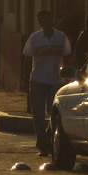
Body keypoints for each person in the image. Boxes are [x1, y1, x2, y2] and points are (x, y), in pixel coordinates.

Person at [22, 10, 71, 157]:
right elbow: (26, 57)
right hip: (37, 79)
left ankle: (48, 139)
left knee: (53, 113)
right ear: (39, 22)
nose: (46, 22)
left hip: (56, 80)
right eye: (42, 20)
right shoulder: (35, 38)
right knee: (37, 115)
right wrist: (25, 78)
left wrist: (67, 75)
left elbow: (67, 56)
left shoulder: (61, 37)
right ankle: (42, 143)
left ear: (53, 20)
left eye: (48, 19)